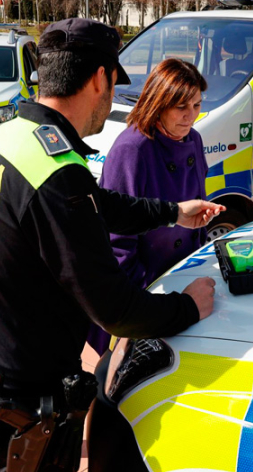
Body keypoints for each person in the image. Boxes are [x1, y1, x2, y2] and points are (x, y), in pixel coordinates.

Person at [0, 18, 223, 472]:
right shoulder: (57, 173)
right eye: (115, 83)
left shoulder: (11, 136)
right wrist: (187, 308)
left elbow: (97, 203)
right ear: (100, 78)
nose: (114, 96)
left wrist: (172, 212)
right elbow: (114, 308)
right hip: (21, 410)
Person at [89, 58, 209, 354]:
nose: (190, 116)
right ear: (158, 104)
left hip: (182, 276)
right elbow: (117, 242)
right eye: (181, 107)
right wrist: (147, 296)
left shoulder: (194, 140)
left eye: (196, 105)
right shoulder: (131, 149)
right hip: (145, 290)